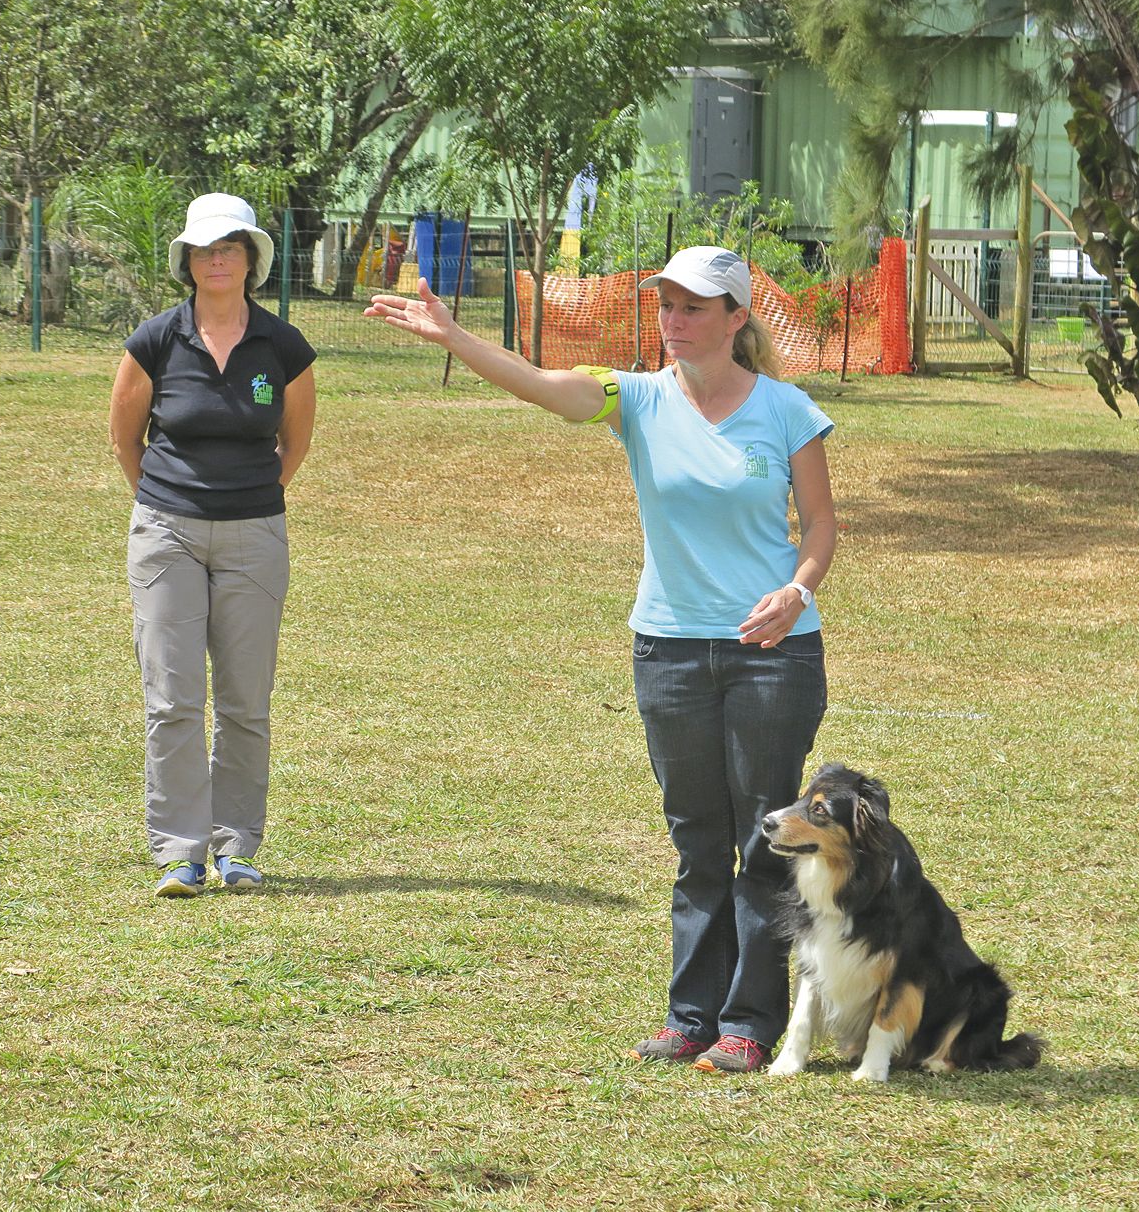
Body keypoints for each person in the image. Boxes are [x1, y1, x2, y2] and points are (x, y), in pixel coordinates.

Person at [366, 247, 837, 1073]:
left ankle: (749, 1024)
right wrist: (455, 338)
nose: (675, 321)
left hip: (773, 656)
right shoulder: (639, 398)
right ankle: (690, 1017)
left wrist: (795, 592)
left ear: (736, 318)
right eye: (667, 306)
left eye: (694, 307)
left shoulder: (788, 411)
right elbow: (542, 385)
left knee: (765, 841)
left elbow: (822, 530)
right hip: (670, 651)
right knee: (696, 842)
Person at [109, 193, 318, 898]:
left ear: (252, 258)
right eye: (204, 249)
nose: (217, 258)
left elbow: (296, 442)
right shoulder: (155, 340)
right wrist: (169, 503)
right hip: (166, 532)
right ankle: (178, 853)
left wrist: (246, 503)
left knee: (244, 701)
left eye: (230, 246)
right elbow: (124, 438)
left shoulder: (282, 346)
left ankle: (237, 849)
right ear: (188, 263)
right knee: (171, 698)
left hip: (255, 534)